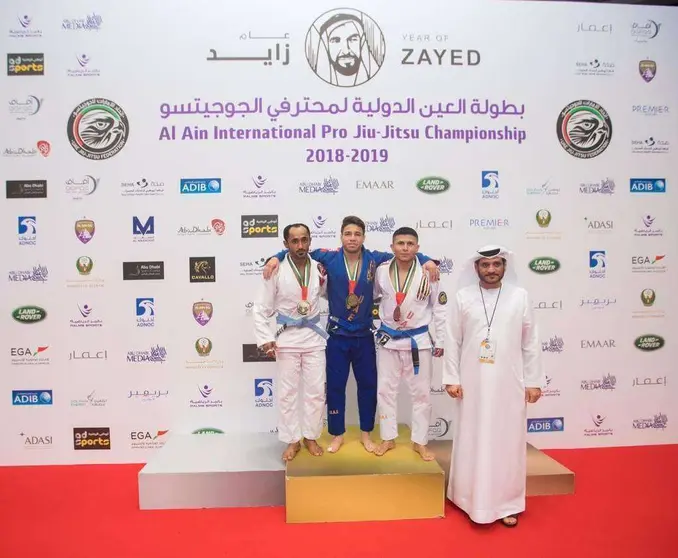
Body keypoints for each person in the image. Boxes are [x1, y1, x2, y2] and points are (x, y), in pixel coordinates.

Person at [262, 215, 440, 454]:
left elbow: (406, 254)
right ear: (341, 236)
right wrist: (276, 256)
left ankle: (367, 434)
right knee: (335, 386)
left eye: (357, 234)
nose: (352, 238)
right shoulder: (328, 257)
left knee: (368, 386)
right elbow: (298, 252)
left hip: (365, 334)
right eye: (348, 234)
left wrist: (426, 260)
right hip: (336, 334)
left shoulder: (375, 259)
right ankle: (337, 435)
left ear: (363, 237)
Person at [442, 245, 546, 527]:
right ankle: (468, 499)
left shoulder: (519, 297)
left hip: (508, 382)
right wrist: (452, 377)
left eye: (496, 264)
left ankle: (506, 503)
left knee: (506, 441)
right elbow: (452, 339)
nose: (491, 270)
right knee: (472, 437)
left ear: (504, 267)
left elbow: (531, 342)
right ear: (476, 268)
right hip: (472, 382)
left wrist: (534, 381)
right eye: (485, 265)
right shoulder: (463, 297)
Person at [253, 223, 328, 462]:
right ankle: (292, 439)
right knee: (287, 393)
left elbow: (326, 294)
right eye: (294, 241)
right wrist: (265, 339)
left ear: (310, 241)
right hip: (287, 338)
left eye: (304, 240)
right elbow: (261, 307)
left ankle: (311, 436)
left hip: (314, 337)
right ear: (285, 244)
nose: (300, 246)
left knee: (316, 392)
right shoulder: (275, 270)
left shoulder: (319, 268)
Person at [372, 227, 447, 461]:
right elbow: (374, 297)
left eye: (410, 244)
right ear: (392, 246)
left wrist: (442, 339)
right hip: (388, 341)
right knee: (385, 391)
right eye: (400, 243)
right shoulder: (382, 271)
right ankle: (387, 438)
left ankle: (420, 441)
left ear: (417, 247)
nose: (405, 248)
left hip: (419, 341)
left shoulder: (429, 272)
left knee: (422, 394)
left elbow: (440, 308)